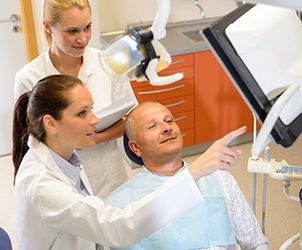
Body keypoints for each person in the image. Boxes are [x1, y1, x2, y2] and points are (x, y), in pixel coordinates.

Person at [12, 74, 248, 249]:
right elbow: (116, 227)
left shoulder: (66, 159)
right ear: (51, 124)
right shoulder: (43, 184)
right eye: (82, 113)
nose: (95, 120)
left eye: (92, 109)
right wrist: (195, 171)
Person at [104, 101, 269, 250]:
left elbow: (256, 243)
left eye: (169, 120)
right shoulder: (119, 205)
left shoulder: (219, 178)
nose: (167, 128)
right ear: (135, 147)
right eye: (152, 126)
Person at [14, 0, 136, 198]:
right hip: (59, 182)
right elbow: (31, 141)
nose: (83, 39)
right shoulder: (29, 77)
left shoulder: (108, 63)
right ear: (47, 26)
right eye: (72, 31)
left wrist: (95, 138)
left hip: (110, 174)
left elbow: (130, 119)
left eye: (87, 28)